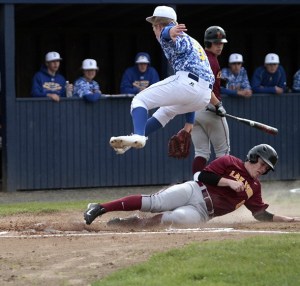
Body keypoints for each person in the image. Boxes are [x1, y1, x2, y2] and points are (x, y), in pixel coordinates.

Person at [84, 144, 300, 227]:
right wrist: (228, 182)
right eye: (262, 164)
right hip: (195, 190)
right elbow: (202, 176)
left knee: (171, 219)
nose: (263, 169)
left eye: (267, 168)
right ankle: (100, 207)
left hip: (203, 212)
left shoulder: (255, 188)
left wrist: (289, 219)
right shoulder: (229, 162)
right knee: (155, 202)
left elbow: (261, 214)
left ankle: (130, 223)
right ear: (254, 156)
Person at [109, 6, 214, 155]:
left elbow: (167, 37)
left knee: (139, 100)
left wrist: (167, 31)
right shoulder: (193, 42)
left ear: (157, 26)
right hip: (203, 96)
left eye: (154, 27)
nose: (154, 30)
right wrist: (189, 124)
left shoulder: (170, 35)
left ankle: (139, 135)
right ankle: (134, 139)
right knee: (165, 112)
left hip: (188, 83)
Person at [191, 26, 230, 176]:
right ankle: (223, 189)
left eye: (221, 43)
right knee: (223, 153)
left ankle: (198, 187)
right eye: (216, 43)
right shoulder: (213, 61)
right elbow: (206, 89)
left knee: (201, 152)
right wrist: (218, 105)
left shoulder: (199, 56)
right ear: (208, 43)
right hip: (210, 107)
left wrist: (220, 81)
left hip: (194, 109)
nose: (220, 46)